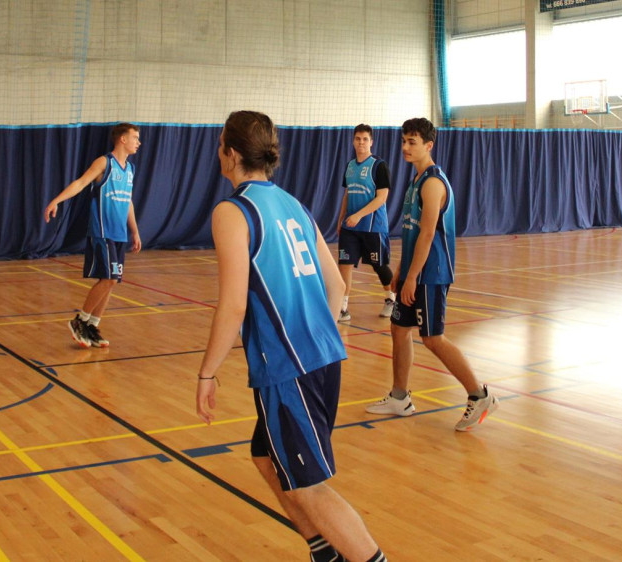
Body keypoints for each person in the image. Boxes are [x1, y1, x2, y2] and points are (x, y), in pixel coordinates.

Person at [196, 111, 387, 562]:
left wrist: (208, 373)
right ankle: (325, 549)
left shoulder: (232, 211)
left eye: (221, 143)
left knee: (310, 488)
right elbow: (336, 287)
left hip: (289, 369)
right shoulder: (292, 204)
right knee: (265, 457)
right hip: (324, 355)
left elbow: (235, 304)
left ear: (232, 154)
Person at [365, 117, 497, 432]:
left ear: (428, 145)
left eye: (413, 142)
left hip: (432, 273)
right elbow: (410, 233)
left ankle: (479, 395)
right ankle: (400, 397)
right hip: (415, 271)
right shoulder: (415, 180)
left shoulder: (434, 183)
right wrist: (400, 269)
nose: (406, 147)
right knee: (399, 329)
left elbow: (427, 235)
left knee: (432, 338)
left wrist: (412, 277)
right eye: (403, 141)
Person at [44, 123, 142, 349]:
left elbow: (128, 201)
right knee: (107, 279)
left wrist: (135, 231)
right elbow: (80, 183)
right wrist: (57, 200)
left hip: (119, 234)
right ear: (122, 140)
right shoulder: (104, 163)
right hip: (102, 231)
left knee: (112, 281)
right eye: (135, 137)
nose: (139, 142)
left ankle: (92, 325)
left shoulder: (130, 169)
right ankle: (80, 320)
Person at [336, 124, 395, 322]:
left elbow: (382, 198)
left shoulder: (378, 165)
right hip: (350, 227)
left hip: (373, 227)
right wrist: (340, 219)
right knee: (345, 264)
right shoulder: (350, 166)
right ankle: (342, 308)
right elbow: (347, 194)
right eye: (358, 138)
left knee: (379, 265)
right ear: (353, 141)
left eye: (365, 139)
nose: (361, 142)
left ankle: (391, 300)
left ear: (371, 142)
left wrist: (359, 215)